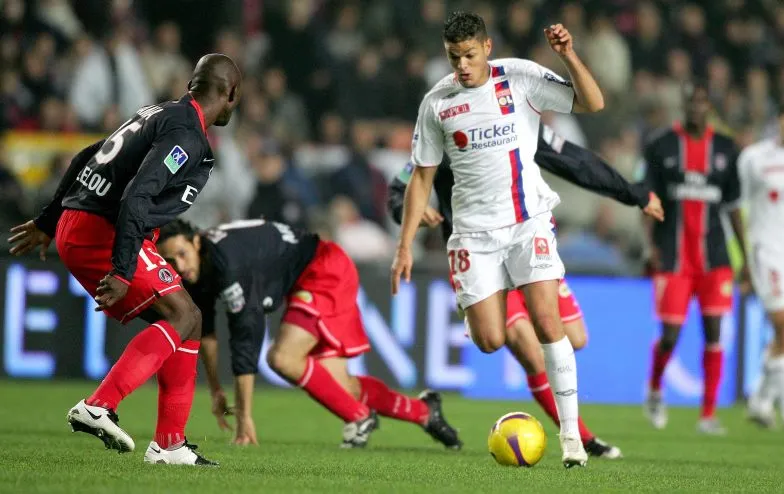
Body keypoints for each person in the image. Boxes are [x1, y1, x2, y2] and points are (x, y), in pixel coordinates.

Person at [391, 11, 604, 467]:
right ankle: (491, 295)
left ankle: (571, 438)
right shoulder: (437, 102)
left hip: (528, 222)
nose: (462, 65)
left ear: (487, 47)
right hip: (474, 235)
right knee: (489, 339)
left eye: (469, 55)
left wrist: (568, 56)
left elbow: (592, 102)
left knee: (548, 324)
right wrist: (404, 245)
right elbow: (421, 177)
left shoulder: (520, 77)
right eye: (454, 57)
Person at [7, 54, 242, 465]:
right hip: (101, 229)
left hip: (80, 220)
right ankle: (100, 405)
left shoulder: (157, 113)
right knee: (184, 315)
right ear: (231, 94)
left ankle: (170, 444)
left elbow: (87, 156)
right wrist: (123, 266)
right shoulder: (187, 134)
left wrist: (49, 220)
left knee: (188, 319)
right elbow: (137, 196)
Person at [389, 124, 664, 459]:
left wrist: (631, 193)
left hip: (526, 241)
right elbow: (400, 187)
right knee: (527, 350)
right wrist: (406, 211)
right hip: (478, 253)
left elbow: (574, 161)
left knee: (575, 337)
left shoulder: (518, 117)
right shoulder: (447, 125)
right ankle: (581, 438)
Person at [156, 219, 462, 449]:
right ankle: (424, 412)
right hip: (310, 275)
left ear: (197, 242)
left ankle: (359, 417)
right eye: (171, 261)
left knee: (282, 358)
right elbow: (206, 333)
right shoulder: (202, 267)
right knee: (342, 387)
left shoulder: (228, 263)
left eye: (182, 254)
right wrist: (215, 390)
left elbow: (245, 339)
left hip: (323, 268)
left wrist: (244, 417)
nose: (179, 266)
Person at [640, 81, 747, 435]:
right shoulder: (661, 145)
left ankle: (708, 414)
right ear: (683, 105)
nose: (695, 107)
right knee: (670, 336)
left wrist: (745, 258)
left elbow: (733, 207)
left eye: (702, 102)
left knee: (714, 334)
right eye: (690, 101)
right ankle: (655, 389)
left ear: (709, 107)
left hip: (715, 258)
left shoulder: (727, 148)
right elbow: (648, 200)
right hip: (673, 257)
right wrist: (649, 246)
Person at [739, 100, 784, 430]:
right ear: (781, 119)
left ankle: (760, 399)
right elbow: (737, 207)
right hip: (767, 251)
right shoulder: (755, 158)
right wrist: (743, 257)